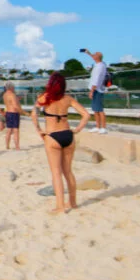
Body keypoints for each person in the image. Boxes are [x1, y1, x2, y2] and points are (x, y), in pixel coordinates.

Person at [31, 73, 90, 214]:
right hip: (68, 135)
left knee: (56, 173)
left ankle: (60, 206)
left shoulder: (44, 97)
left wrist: (39, 130)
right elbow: (86, 115)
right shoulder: (68, 99)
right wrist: (77, 129)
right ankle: (73, 202)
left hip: (52, 136)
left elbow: (34, 114)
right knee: (68, 171)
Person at [82, 48, 109, 134]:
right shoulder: (101, 64)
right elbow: (95, 57)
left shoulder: (99, 67)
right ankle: (98, 127)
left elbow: (96, 80)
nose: (93, 55)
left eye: (95, 54)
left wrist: (92, 91)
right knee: (95, 109)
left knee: (99, 110)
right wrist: (88, 53)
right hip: (96, 89)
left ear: (97, 57)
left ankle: (103, 127)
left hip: (97, 90)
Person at [1, 81, 23, 150]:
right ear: (11, 87)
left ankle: (7, 146)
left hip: (8, 113)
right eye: (14, 87)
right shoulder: (12, 94)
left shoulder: (4, 95)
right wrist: (23, 112)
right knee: (16, 131)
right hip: (14, 113)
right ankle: (17, 147)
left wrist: (17, 99)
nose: (14, 88)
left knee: (9, 130)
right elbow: (15, 106)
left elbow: (10, 102)